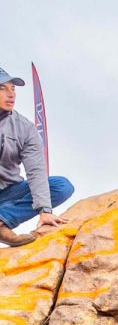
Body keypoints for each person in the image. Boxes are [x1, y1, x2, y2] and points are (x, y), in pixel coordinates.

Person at [0, 68, 74, 246]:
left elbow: (36, 170)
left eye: (13, 89)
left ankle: (2, 221)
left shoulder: (24, 128)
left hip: (9, 191)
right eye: (3, 88)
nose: (11, 95)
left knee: (61, 186)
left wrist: (45, 210)